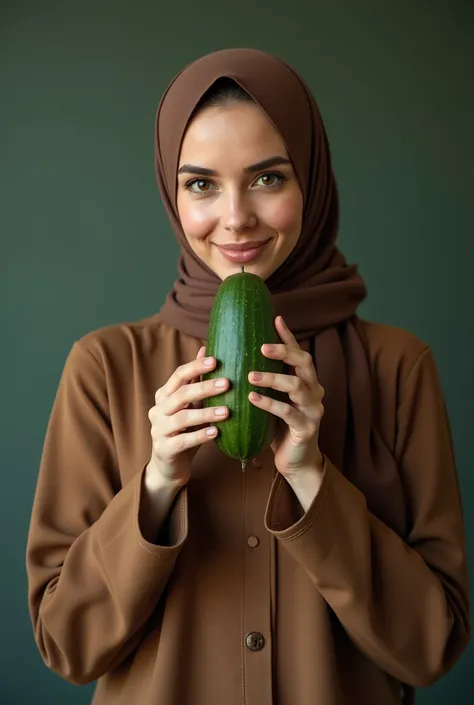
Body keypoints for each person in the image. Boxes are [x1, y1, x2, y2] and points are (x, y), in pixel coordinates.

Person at [26, 48, 470, 705]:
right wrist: (157, 484)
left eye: (267, 178)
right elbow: (67, 642)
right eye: (201, 183)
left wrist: (313, 477)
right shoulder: (103, 367)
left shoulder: (399, 367)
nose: (236, 217)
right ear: (171, 193)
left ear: (311, 183)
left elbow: (431, 646)